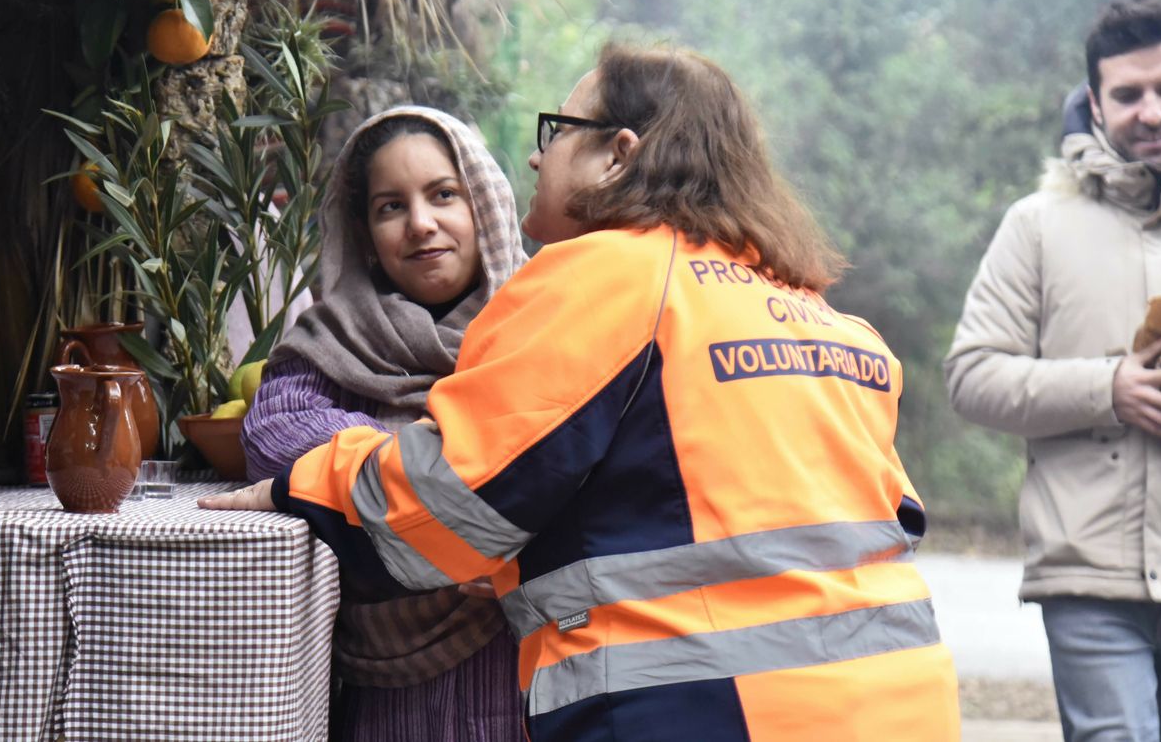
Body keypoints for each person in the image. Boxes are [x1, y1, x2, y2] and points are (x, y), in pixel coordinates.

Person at [207, 43, 960, 740]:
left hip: (712, 710)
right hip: (901, 704)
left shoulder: (602, 278)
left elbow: (446, 498)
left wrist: (305, 483)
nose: (536, 157)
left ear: (618, 154)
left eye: (558, 130)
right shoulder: (821, 314)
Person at [945, 0, 1161, 742]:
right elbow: (972, 375)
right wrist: (1108, 389)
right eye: (1129, 94)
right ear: (1096, 103)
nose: (1152, 111)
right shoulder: (1037, 225)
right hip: (1090, 573)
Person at [241, 106, 528, 741]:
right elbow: (275, 432)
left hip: (519, 668)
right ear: (365, 233)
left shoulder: (540, 328)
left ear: (484, 205)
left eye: (443, 195)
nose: (420, 224)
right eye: (390, 207)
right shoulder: (338, 332)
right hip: (386, 687)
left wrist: (384, 484)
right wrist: (439, 472)